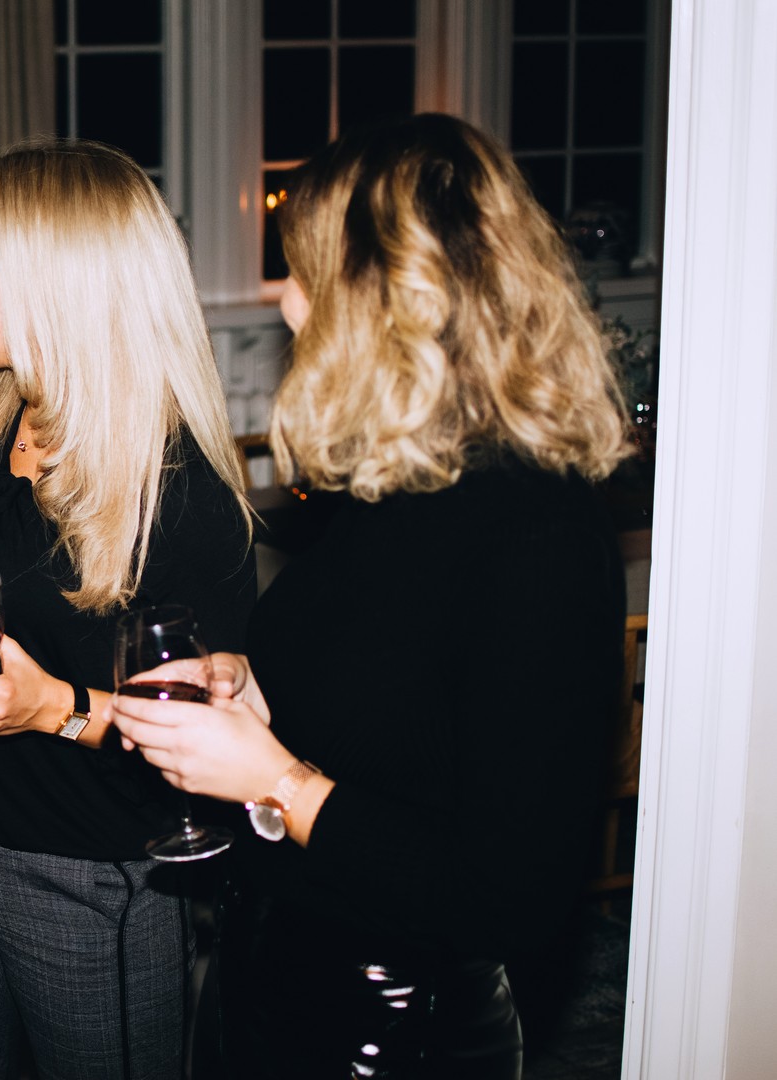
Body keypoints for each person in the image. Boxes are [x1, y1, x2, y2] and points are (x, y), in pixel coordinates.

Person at [111, 113, 633, 1079]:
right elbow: (394, 717)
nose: (289, 305)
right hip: (265, 976)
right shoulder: (395, 482)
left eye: (306, 273)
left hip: (393, 1033)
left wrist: (278, 781)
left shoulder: (541, 535)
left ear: (394, 297)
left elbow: (510, 896)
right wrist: (257, 694)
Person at [0, 138, 257, 1080]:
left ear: (58, 277)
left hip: (83, 875)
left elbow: (214, 741)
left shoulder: (180, 494)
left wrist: (58, 710)